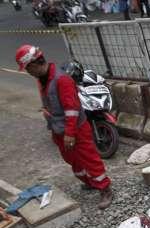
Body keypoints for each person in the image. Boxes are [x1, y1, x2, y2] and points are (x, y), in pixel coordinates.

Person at [15, 45, 113, 209]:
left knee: (89, 159)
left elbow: (72, 109)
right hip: (58, 128)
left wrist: (70, 134)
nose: (27, 72)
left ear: (33, 64)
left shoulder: (62, 79)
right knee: (72, 160)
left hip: (75, 130)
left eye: (27, 68)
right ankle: (89, 182)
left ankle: (105, 189)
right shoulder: (42, 79)